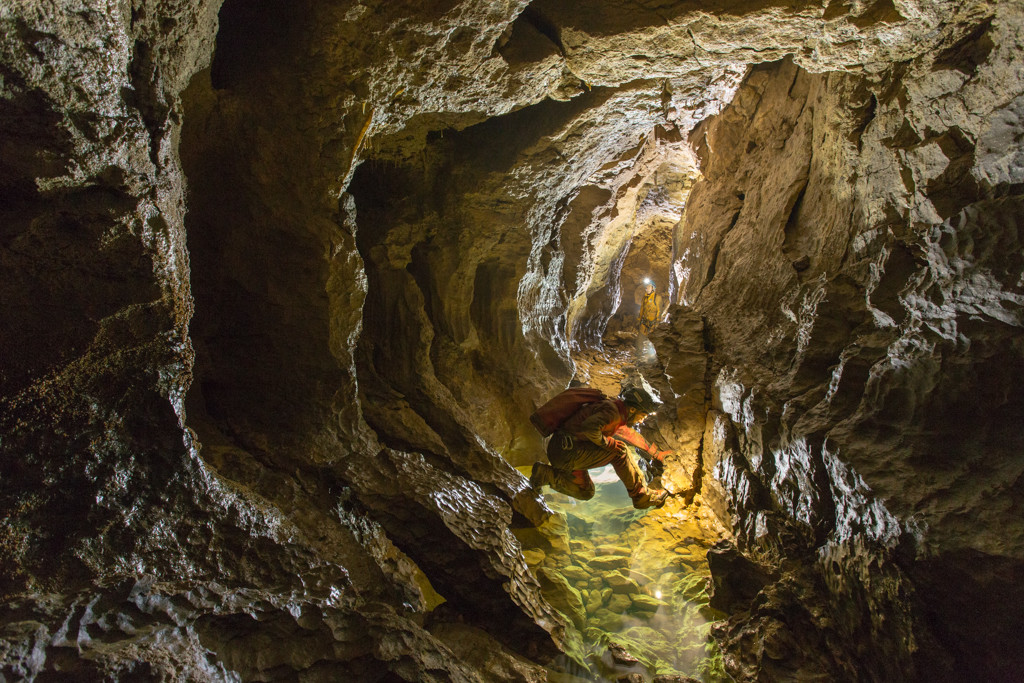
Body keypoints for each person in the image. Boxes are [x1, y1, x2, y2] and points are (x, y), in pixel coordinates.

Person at [529, 387, 670, 509]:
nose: (642, 419)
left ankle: (545, 475)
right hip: (568, 452)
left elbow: (627, 433)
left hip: (563, 450)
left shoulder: (614, 410)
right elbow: (590, 428)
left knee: (586, 492)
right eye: (643, 415)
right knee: (620, 452)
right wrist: (609, 444)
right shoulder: (612, 412)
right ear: (632, 409)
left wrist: (654, 453)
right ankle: (642, 497)